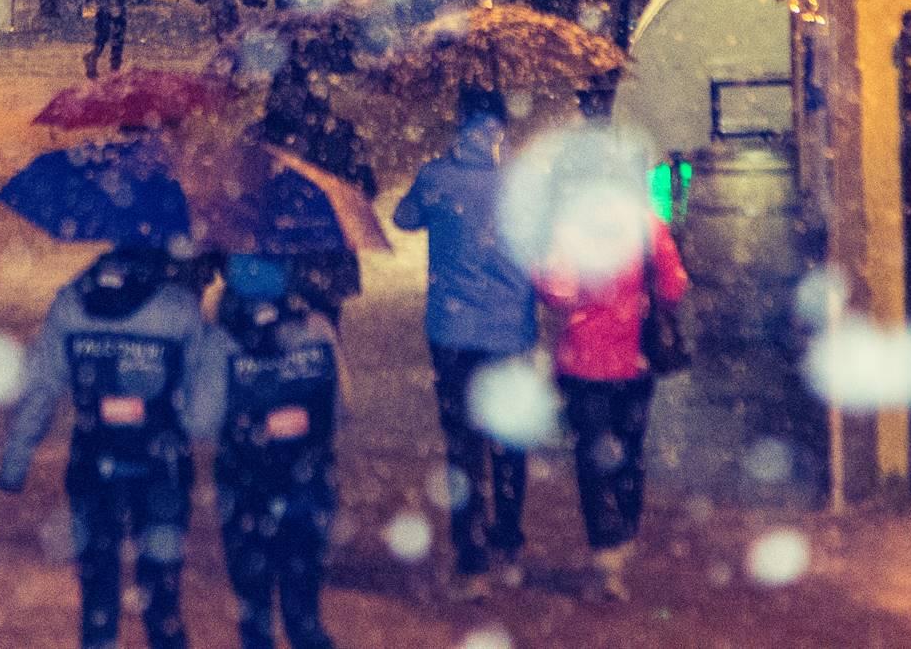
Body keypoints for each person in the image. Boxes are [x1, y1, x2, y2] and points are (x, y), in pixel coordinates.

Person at [0, 246, 211, 649]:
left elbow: (42, 388)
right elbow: (200, 411)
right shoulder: (179, 310)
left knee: (98, 587)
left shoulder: (71, 303)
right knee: (162, 597)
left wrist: (15, 459)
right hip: (161, 469)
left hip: (92, 461)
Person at [392, 88, 537, 599]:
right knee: (510, 440)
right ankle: (509, 544)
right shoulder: (521, 181)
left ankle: (471, 562)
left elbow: (403, 218)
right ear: (502, 124)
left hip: (452, 334)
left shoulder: (437, 177)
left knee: (463, 447)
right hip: (511, 332)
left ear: (459, 123)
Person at [533, 195, 687, 602]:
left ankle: (605, 548)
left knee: (591, 456)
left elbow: (556, 291)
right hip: (636, 362)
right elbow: (674, 284)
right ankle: (626, 530)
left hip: (584, 364)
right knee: (631, 448)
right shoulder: (647, 224)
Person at [195, 256, 342, 649]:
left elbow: (201, 421)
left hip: (244, 482)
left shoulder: (220, 341)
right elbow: (339, 410)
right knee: (303, 599)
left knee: (253, 599)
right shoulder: (317, 329)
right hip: (306, 477)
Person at [253, 67, 376, 327]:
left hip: (276, 255)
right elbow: (366, 190)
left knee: (277, 332)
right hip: (329, 254)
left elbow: (242, 194)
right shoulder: (341, 133)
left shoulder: (259, 136)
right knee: (324, 331)